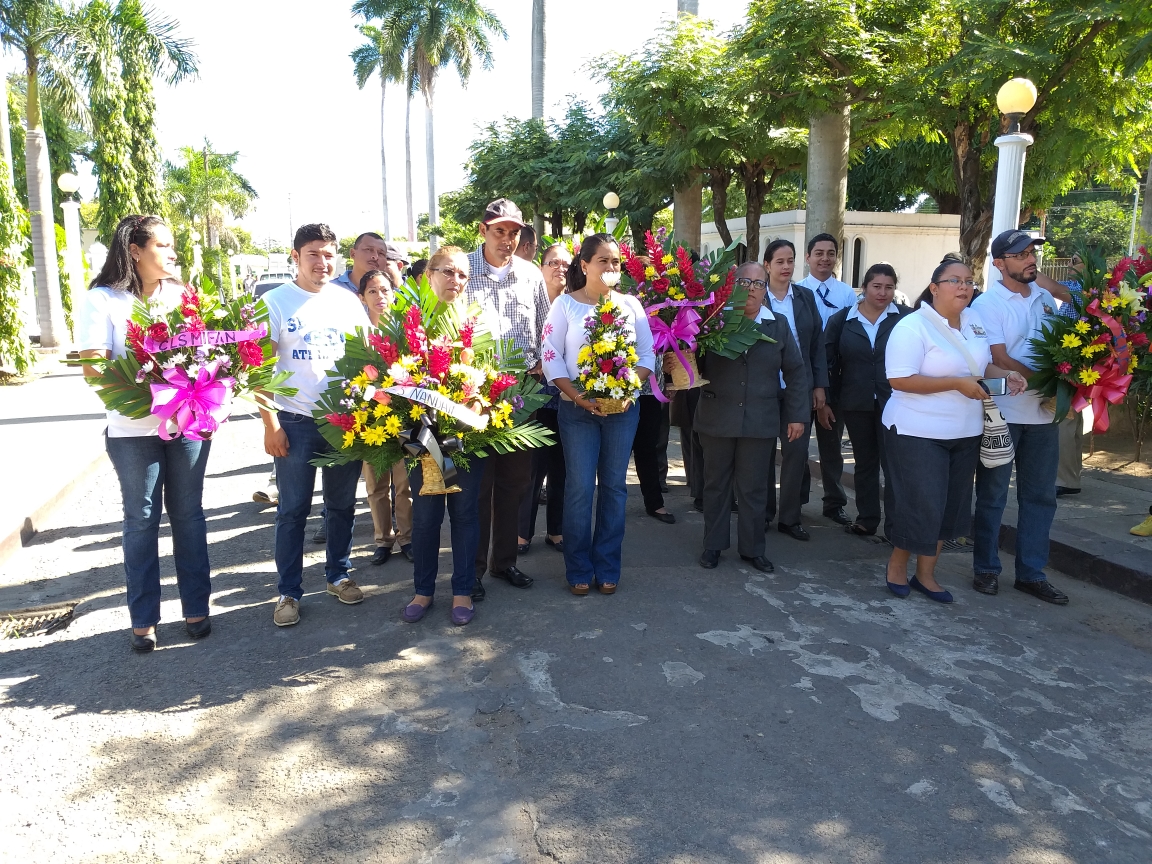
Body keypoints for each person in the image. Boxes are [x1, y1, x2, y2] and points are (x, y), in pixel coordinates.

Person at [78, 215, 212, 651]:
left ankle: (197, 607)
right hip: (132, 431)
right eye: (163, 245)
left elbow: (209, 353)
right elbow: (94, 368)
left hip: (187, 427)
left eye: (173, 245)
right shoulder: (103, 300)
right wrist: (150, 392)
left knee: (188, 515)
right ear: (135, 251)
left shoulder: (182, 296)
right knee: (141, 519)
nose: (173, 253)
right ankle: (143, 619)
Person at [883, 257, 1027, 603]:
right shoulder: (912, 326)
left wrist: (1006, 375)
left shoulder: (974, 321)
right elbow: (899, 379)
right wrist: (955, 384)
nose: (964, 286)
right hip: (917, 430)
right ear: (934, 288)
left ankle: (926, 574)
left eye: (969, 281)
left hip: (966, 430)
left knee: (951, 507)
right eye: (955, 280)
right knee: (922, 505)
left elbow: (980, 365)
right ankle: (896, 567)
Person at [260, 223, 371, 627]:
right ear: (295, 256)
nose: (322, 262)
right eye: (313, 254)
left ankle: (338, 575)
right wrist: (271, 424)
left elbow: (367, 360)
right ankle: (288, 592)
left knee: (341, 505)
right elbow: (259, 369)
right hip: (295, 422)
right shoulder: (274, 302)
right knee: (293, 510)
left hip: (343, 420)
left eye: (328, 254)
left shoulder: (348, 302)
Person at [541, 233, 656, 595]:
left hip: (622, 411)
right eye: (602, 260)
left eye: (615, 261)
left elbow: (647, 355)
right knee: (579, 488)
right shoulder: (565, 305)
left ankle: (607, 566)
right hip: (577, 411)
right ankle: (578, 567)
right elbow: (550, 355)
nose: (610, 266)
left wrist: (628, 388)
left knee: (614, 487)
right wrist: (576, 396)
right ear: (585, 265)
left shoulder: (631, 305)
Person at [971, 230, 1074, 605]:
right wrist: (1048, 384)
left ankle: (1031, 574)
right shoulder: (987, 304)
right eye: (1021, 254)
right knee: (993, 495)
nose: (1031, 259)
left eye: (1032, 253)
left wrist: (1061, 385)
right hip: (1004, 413)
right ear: (999, 263)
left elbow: (1075, 309)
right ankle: (986, 568)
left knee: (1041, 498)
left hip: (1044, 417)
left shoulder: (1045, 297)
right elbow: (999, 358)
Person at [463, 199, 550, 600]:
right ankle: (472, 570)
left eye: (514, 232)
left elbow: (544, 328)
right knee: (478, 487)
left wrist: (540, 366)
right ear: (483, 231)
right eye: (499, 231)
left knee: (515, 483)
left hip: (520, 395)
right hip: (474, 396)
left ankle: (504, 561)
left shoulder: (530, 275)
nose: (507, 239)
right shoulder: (463, 271)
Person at [697, 261, 807, 572]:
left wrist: (797, 415)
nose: (751, 290)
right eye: (744, 283)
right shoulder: (713, 321)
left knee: (754, 488)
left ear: (765, 290)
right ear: (732, 286)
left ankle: (753, 548)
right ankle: (713, 545)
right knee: (716, 485)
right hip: (717, 418)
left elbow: (796, 373)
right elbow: (690, 361)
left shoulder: (777, 325)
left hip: (760, 420)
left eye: (759, 284)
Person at [403, 246, 486, 625]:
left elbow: (493, 376)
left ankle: (463, 590)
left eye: (463, 274)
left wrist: (479, 404)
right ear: (429, 275)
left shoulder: (478, 323)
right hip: (421, 439)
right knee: (425, 519)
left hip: (464, 441)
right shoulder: (409, 323)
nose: (456, 280)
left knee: (465, 515)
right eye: (447, 272)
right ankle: (423, 590)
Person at [823, 263, 911, 539]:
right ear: (864, 288)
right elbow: (828, 363)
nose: (883, 293)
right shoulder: (842, 320)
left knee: (894, 464)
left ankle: (897, 526)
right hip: (855, 401)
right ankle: (867, 518)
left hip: (897, 402)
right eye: (877, 286)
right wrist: (826, 400)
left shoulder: (907, 318)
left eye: (889, 287)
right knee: (864, 462)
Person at [762, 239, 828, 541]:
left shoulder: (804, 296)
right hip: (764, 388)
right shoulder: (757, 297)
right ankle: (763, 513)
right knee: (762, 454)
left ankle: (790, 517)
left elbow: (816, 345)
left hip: (797, 388)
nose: (786, 267)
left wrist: (819, 386)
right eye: (780, 261)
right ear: (767, 265)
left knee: (796, 453)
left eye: (790, 260)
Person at [798, 233, 858, 526]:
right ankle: (796, 500)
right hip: (801, 376)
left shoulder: (847, 295)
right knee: (797, 443)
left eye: (830, 253)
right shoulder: (797, 292)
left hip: (834, 378)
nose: (825, 259)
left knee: (831, 445)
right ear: (808, 257)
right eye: (818, 253)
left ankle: (834, 503)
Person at [357, 269, 414, 566]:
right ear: (362, 297)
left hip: (404, 418)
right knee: (376, 484)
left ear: (394, 293)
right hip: (371, 422)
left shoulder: (405, 333)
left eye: (385, 290)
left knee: (405, 484)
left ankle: (408, 537)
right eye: (372, 291)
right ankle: (383, 539)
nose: (380, 296)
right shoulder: (357, 335)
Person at [518, 242, 570, 553]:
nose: (560, 268)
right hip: (533, 398)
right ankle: (522, 533)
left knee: (561, 468)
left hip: (566, 398)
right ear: (541, 267)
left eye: (566, 264)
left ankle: (556, 530)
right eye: (553, 262)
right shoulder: (527, 303)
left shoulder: (576, 304)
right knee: (531, 469)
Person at [1056, 252, 1088, 496]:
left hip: (1072, 362)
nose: (1069, 264)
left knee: (1065, 421)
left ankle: (1065, 480)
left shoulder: (1080, 290)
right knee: (1073, 421)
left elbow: (1048, 286)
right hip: (1077, 363)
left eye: (1075, 261)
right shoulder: (1088, 290)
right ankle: (1072, 476)